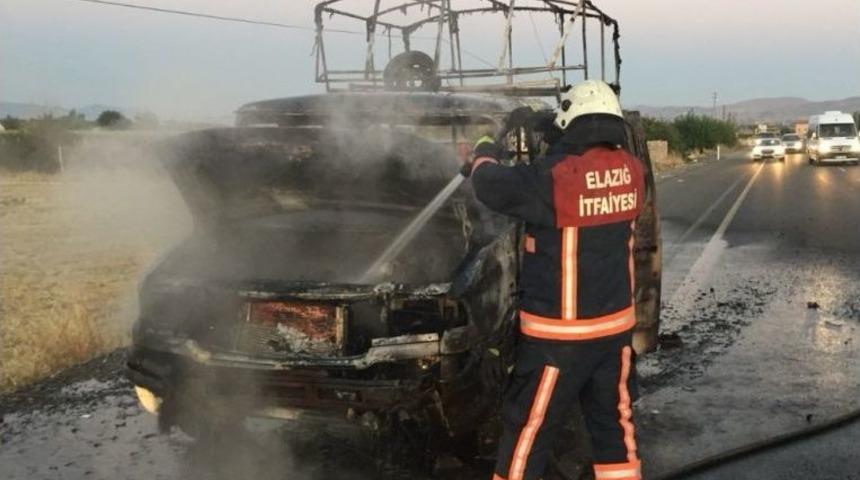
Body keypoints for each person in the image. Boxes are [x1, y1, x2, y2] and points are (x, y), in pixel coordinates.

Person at [461, 80, 645, 480]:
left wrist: (483, 150)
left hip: (560, 338)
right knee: (613, 427)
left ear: (571, 121)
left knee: (528, 427)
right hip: (614, 332)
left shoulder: (556, 177)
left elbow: (491, 185)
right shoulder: (633, 171)